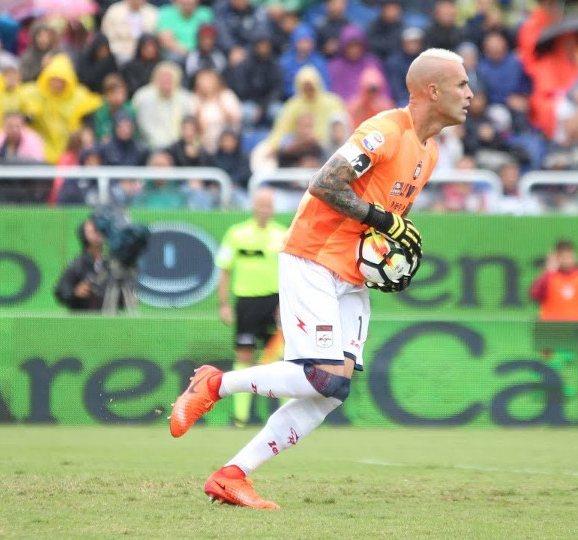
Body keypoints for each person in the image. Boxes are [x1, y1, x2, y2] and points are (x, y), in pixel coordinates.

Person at [168, 48, 473, 509]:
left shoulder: (429, 154)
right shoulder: (385, 131)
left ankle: (232, 475)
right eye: (462, 84)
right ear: (433, 90)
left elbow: (384, 224)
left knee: (332, 390)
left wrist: (389, 258)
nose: (470, 94)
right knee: (322, 376)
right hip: (315, 256)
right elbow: (325, 183)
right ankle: (215, 384)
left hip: (352, 273)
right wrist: (382, 220)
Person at [214, 187, 290, 428]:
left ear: (273, 209)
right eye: (261, 204)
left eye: (269, 205)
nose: (265, 209)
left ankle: (288, 419)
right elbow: (224, 270)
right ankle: (240, 418)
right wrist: (224, 305)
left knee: (282, 359)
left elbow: (292, 274)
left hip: (275, 303)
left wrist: (287, 305)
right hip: (246, 303)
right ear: (253, 206)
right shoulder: (236, 234)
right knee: (244, 356)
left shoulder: (283, 235)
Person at [529, 239, 578, 321]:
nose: (567, 260)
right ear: (557, 257)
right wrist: (547, 273)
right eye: (563, 256)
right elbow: (534, 295)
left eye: (569, 256)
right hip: (553, 327)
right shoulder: (548, 277)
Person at [54, 217, 109, 311]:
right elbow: (61, 291)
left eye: (100, 229)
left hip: (108, 317)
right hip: (84, 317)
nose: (98, 232)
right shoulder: (78, 264)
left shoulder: (110, 263)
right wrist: (75, 292)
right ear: (85, 236)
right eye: (94, 230)